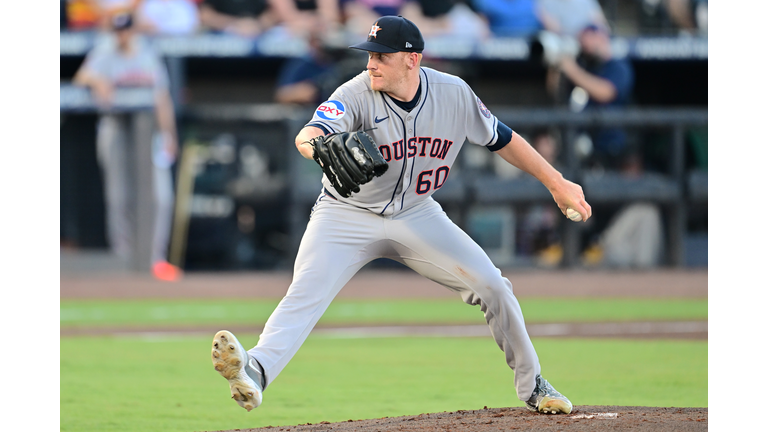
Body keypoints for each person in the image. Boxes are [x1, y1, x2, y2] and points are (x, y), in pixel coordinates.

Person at [211, 15, 591, 415]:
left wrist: (555, 182)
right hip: (346, 213)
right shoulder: (355, 92)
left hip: (416, 213)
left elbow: (502, 138)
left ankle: (534, 385)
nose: (371, 63)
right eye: (369, 54)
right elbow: (308, 133)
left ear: (413, 60)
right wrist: (318, 147)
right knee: (305, 292)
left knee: (494, 286)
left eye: (382, 56)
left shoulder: (453, 93)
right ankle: (255, 369)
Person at [73, 12, 182, 281]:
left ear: (134, 30)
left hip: (148, 131)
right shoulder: (105, 50)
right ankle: (123, 258)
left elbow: (162, 97)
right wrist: (98, 80)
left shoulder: (147, 53)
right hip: (116, 127)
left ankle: (155, 258)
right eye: (118, 30)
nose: (122, 35)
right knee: (119, 196)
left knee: (160, 197)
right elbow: (81, 77)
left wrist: (169, 134)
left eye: (127, 30)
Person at [550, 23, 634, 168]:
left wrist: (572, 70)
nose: (586, 46)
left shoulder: (618, 66)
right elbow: (555, 91)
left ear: (602, 37)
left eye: (590, 39)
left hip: (611, 143)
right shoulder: (585, 66)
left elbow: (606, 93)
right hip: (583, 142)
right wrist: (556, 65)